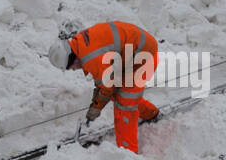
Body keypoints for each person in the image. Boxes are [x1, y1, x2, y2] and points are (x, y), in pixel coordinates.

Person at [49, 21, 159, 153]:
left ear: (72, 58)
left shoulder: (91, 58)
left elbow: (107, 88)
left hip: (144, 56)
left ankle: (128, 153)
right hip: (132, 54)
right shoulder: (80, 44)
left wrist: (95, 110)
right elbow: (105, 84)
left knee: (124, 104)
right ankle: (151, 114)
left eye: (69, 67)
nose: (72, 70)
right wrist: (95, 106)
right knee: (118, 94)